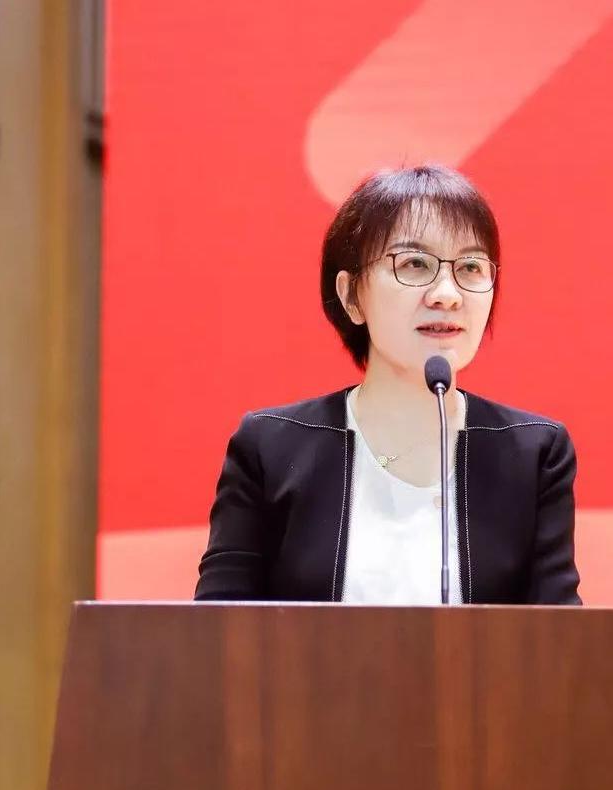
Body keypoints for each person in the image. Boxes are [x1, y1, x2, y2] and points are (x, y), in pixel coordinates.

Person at [194, 164, 581, 605]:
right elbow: (218, 632)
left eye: (471, 267)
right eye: (414, 264)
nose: (447, 294)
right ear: (351, 296)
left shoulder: (533, 455)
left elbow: (559, 638)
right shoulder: (271, 449)